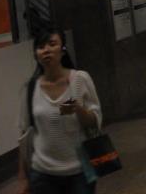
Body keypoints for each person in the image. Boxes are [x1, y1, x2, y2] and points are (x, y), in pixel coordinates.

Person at [17, 27, 102, 194]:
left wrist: (78, 109)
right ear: (36, 54)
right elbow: (24, 134)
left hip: (80, 172)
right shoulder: (31, 88)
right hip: (42, 174)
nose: (46, 50)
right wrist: (23, 177)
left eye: (52, 44)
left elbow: (96, 121)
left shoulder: (80, 79)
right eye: (41, 47)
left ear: (63, 50)